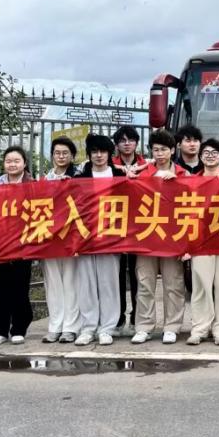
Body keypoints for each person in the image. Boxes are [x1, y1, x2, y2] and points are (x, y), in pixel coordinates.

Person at [131, 129, 188, 345]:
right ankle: (144, 326)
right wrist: (130, 179)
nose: (160, 154)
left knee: (173, 284)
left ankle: (172, 327)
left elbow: (193, 203)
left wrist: (178, 183)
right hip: (146, 237)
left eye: (164, 149)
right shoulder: (141, 174)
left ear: (173, 150)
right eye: (156, 150)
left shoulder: (183, 174)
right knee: (145, 283)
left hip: (173, 238)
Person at [74, 133, 125, 346]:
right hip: (85, 238)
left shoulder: (120, 177)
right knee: (86, 284)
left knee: (108, 284)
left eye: (103, 151)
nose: (98, 155)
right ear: (89, 154)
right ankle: (88, 328)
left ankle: (107, 328)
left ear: (110, 154)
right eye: (94, 151)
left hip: (111, 238)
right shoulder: (79, 179)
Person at [188, 138, 219, 345]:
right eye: (206, 153)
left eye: (214, 153)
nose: (210, 156)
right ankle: (200, 328)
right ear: (200, 157)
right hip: (200, 241)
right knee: (201, 285)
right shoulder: (191, 181)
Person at [0, 146, 35, 345]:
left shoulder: (34, 186)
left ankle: (19, 328)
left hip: (23, 244)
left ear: (24, 163)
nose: (12, 164)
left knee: (19, 287)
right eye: (8, 161)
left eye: (16, 161)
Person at [41, 136, 81, 343]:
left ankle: (71, 326)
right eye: (57, 153)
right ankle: (55, 325)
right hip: (49, 237)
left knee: (71, 282)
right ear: (52, 156)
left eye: (65, 153)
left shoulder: (80, 177)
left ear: (72, 156)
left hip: (71, 237)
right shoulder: (44, 179)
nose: (61, 156)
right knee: (53, 282)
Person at [111, 125, 145, 336]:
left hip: (140, 224)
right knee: (117, 275)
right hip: (115, 224)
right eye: (122, 140)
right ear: (116, 145)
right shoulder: (109, 165)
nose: (126, 144)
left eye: (130, 140)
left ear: (136, 143)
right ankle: (118, 318)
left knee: (137, 274)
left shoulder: (145, 166)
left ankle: (136, 318)